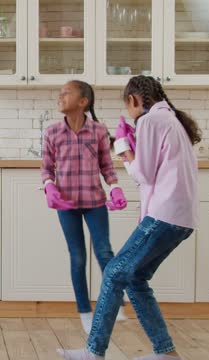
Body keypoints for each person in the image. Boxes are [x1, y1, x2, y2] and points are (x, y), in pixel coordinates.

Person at [57, 76, 201, 360]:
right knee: (135, 279)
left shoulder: (150, 121)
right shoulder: (172, 121)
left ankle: (93, 351)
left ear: (134, 100)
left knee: (113, 272)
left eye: (128, 107)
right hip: (182, 219)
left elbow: (142, 174)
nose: (131, 114)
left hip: (164, 215)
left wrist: (122, 147)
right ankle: (165, 353)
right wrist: (134, 143)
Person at [41, 80, 128, 334]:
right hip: (65, 204)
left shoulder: (99, 131)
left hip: (94, 202)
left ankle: (115, 302)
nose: (60, 96)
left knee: (104, 252)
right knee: (77, 258)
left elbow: (106, 166)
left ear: (83, 101)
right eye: (60, 92)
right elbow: (46, 168)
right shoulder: (52, 133)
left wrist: (115, 188)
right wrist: (49, 186)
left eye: (66, 92)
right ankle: (84, 312)